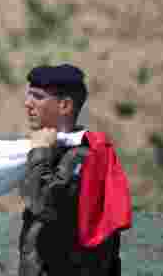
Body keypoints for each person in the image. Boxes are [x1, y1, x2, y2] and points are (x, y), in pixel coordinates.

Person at [19, 64, 125, 275]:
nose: (27, 104)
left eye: (38, 97)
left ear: (65, 105)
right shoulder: (57, 152)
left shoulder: (84, 158)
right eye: (29, 95)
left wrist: (39, 152)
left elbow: (42, 204)